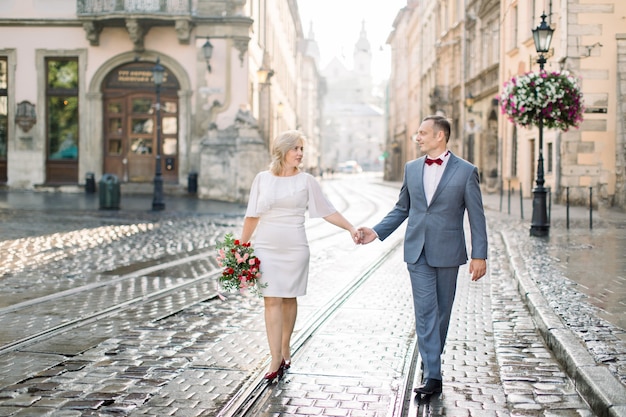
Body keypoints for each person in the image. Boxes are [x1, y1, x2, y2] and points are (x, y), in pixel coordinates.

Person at [357, 115, 488, 395]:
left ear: (440, 136)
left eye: (422, 133)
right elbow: (402, 208)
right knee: (426, 312)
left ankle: (431, 358)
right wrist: (376, 231)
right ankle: (433, 375)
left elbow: (477, 217)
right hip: (417, 251)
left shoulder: (466, 171)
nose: (417, 137)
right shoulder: (412, 168)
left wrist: (480, 255)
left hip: (449, 251)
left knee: (442, 312)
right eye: (418, 133)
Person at [240, 130, 359, 382]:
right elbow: (252, 215)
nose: (300, 153)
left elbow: (327, 210)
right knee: (271, 299)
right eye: (295, 148)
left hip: (294, 247)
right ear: (282, 151)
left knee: (288, 298)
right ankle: (275, 357)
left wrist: (350, 227)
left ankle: (285, 346)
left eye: (302, 149)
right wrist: (241, 246)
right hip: (266, 246)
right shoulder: (262, 179)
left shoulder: (306, 181)